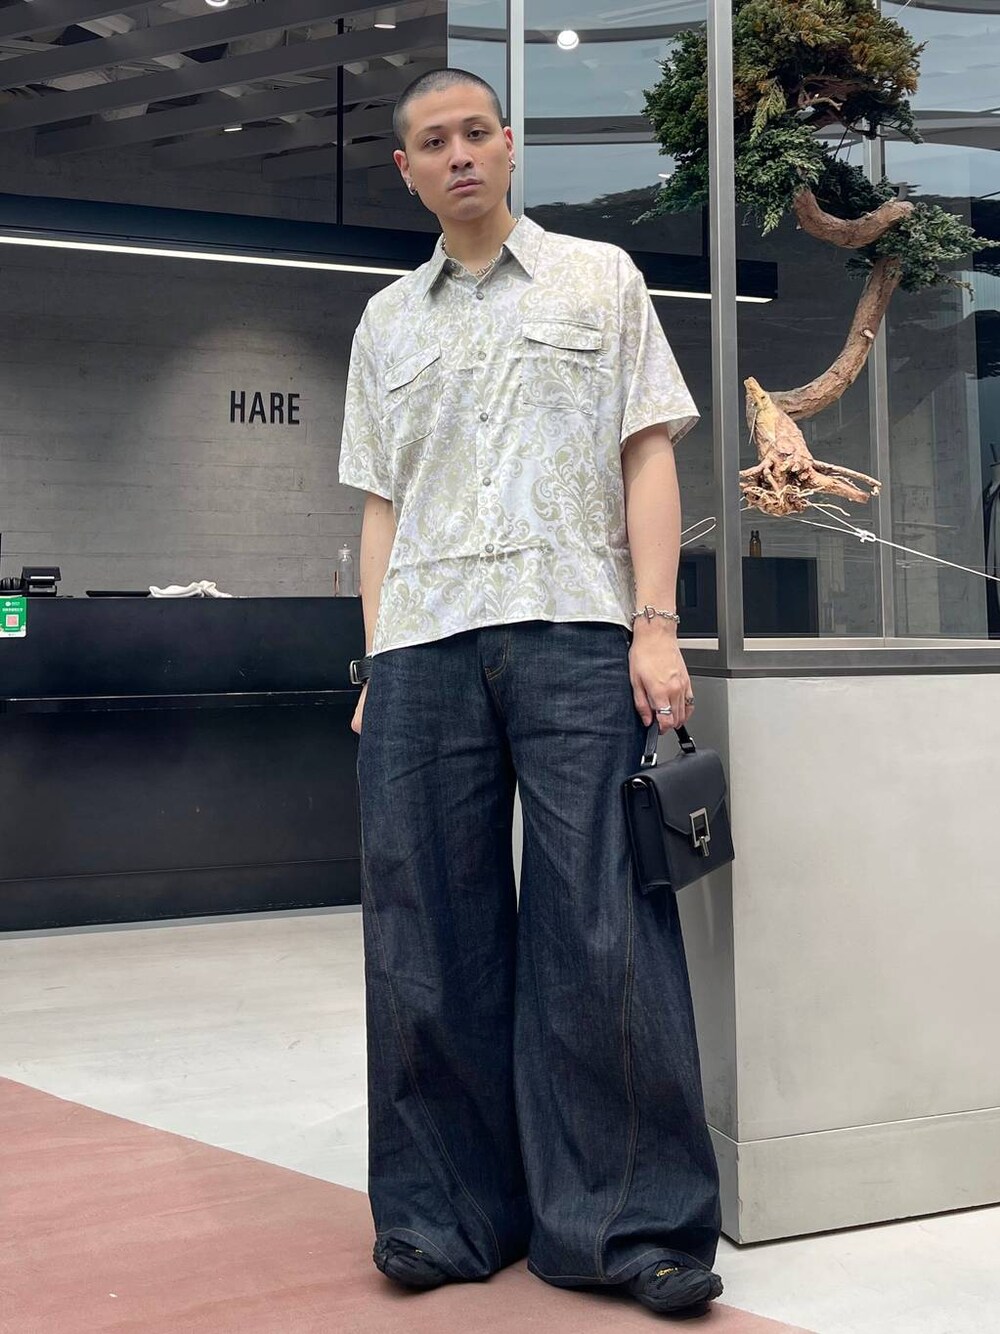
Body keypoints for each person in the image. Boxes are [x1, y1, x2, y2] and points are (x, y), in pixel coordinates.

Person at [338, 67, 723, 1318]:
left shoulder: (598, 278)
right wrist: (376, 656)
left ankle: (628, 1225)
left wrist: (655, 624)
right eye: (431, 142)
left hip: (574, 631)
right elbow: (381, 505)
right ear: (406, 171)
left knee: (599, 929)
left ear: (509, 146)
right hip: (424, 647)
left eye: (473, 133)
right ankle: (445, 1213)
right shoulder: (385, 322)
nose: (456, 155)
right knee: (422, 938)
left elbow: (646, 452)